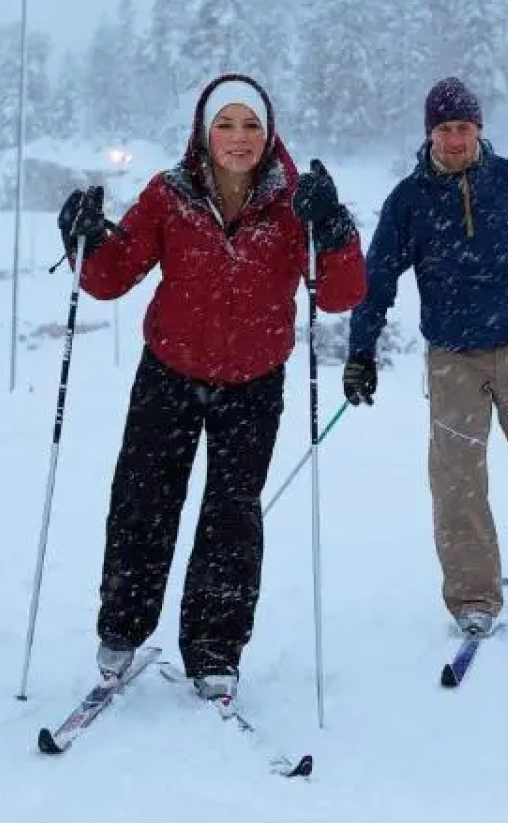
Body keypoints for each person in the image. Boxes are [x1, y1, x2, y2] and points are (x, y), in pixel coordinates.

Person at [57, 73, 366, 701]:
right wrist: (84, 241)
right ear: (203, 131)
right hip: (168, 373)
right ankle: (123, 629)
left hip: (254, 382)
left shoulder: (293, 202)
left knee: (231, 517)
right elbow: (112, 278)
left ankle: (214, 649)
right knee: (142, 503)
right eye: (225, 124)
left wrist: (334, 229)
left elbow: (340, 295)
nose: (238, 138)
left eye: (251, 125)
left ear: (269, 133)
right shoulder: (169, 194)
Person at [342, 76, 508, 639]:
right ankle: (472, 595)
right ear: (430, 134)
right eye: (444, 128)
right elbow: (377, 279)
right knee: (456, 478)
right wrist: (361, 351)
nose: (455, 138)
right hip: (452, 358)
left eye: (463, 127)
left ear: (479, 129)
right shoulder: (409, 199)